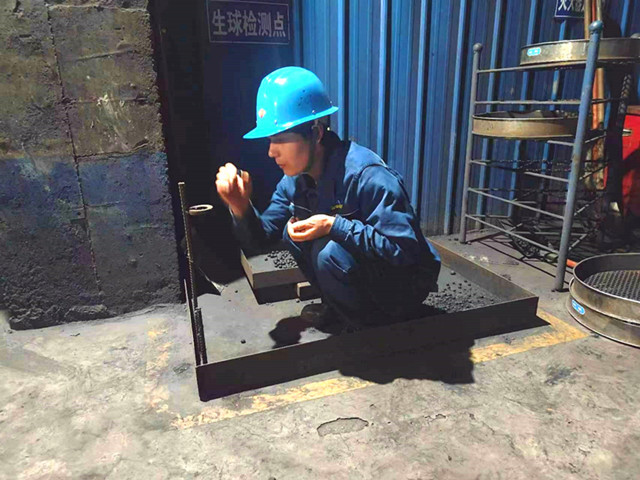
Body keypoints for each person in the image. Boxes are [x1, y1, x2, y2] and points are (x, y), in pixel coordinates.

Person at [216, 66, 440, 329]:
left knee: (329, 252)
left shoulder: (368, 176)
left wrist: (334, 225)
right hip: (370, 275)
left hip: (405, 284)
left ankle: (373, 328)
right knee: (294, 234)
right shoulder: (294, 181)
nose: (271, 152)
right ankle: (341, 309)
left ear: (316, 133)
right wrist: (240, 206)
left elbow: (404, 251)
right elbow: (261, 239)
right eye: (270, 141)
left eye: (281, 140)